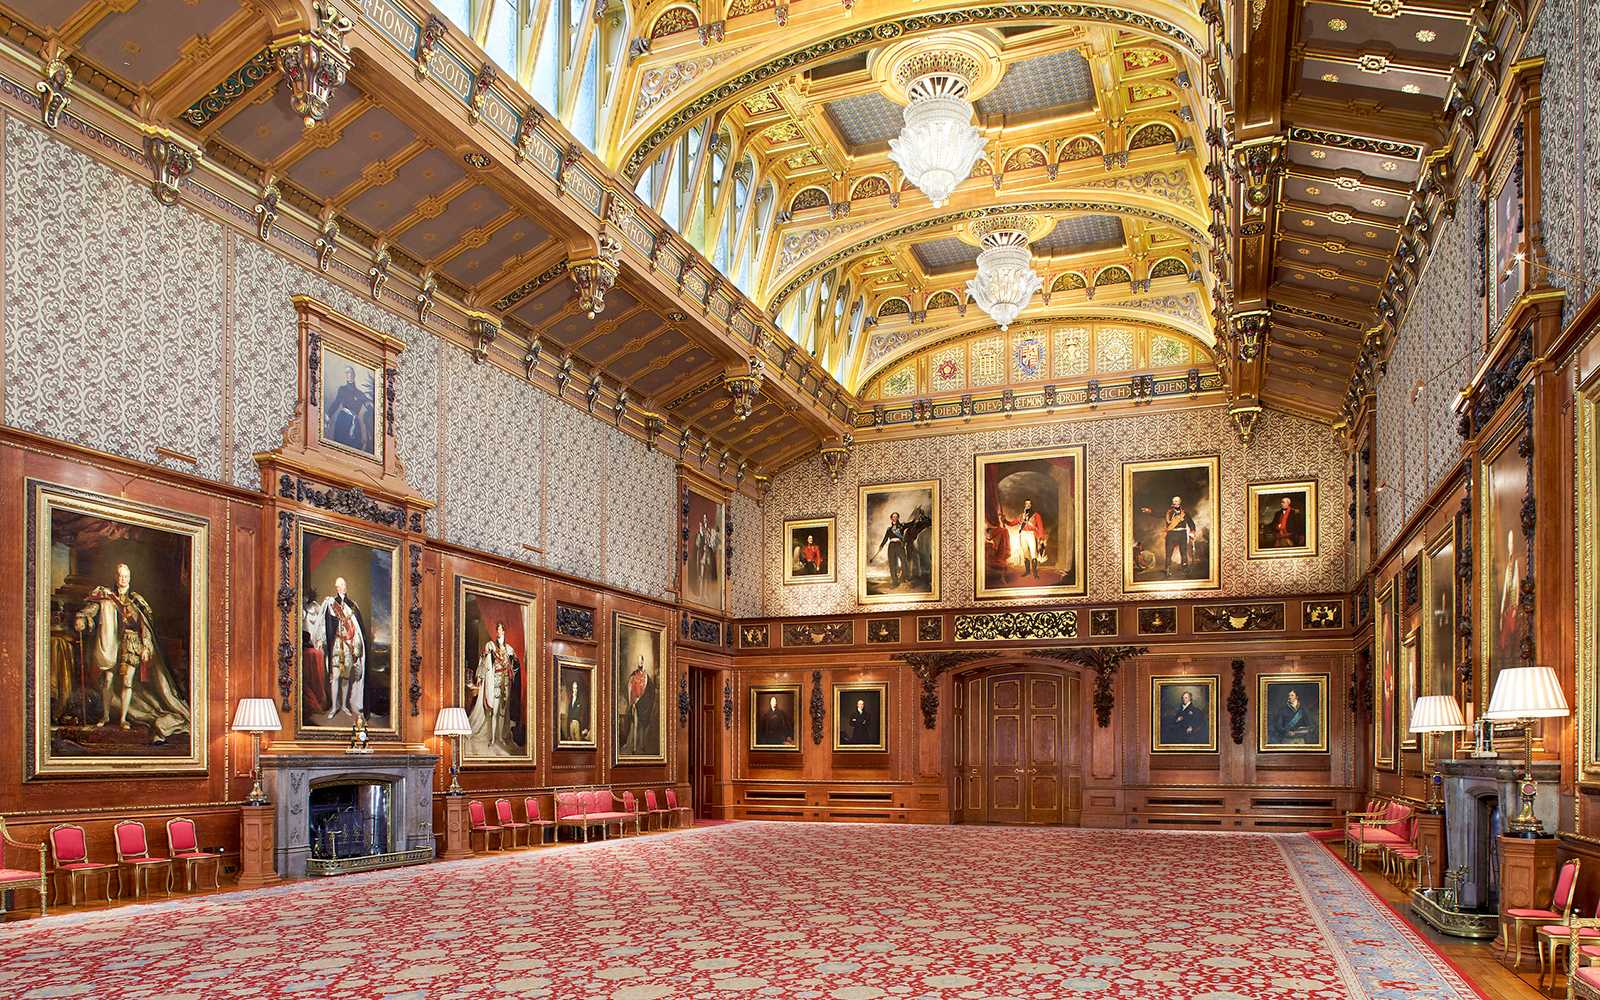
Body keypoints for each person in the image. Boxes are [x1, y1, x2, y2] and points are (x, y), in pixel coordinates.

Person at [74, 563, 191, 742]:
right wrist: (81, 618)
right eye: (120, 576)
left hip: (131, 644)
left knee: (127, 682)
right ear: (116, 577)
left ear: (130, 578)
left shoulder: (136, 601)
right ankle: (105, 717)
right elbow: (91, 609)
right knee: (108, 680)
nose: (123, 579)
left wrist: (146, 646)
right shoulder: (106, 597)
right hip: (111, 642)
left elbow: (145, 627)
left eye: (126, 576)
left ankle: (123, 719)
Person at [320, 577, 367, 719]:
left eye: (345, 584)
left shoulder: (352, 606)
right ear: (337, 587)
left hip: (348, 647)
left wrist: (356, 645)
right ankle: (334, 707)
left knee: (346, 677)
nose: (344, 587)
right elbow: (325, 625)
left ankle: (344, 706)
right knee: (335, 676)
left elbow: (356, 628)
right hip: (336, 646)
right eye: (341, 585)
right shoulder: (331, 604)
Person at [468, 621, 518, 754]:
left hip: (505, 683)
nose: (499, 632)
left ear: (504, 632)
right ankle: (493, 739)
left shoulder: (509, 649)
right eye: (498, 630)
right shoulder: (491, 646)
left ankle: (500, 737)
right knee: (495, 712)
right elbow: (483, 661)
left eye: (501, 629)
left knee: (502, 713)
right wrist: (479, 676)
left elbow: (516, 665)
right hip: (495, 681)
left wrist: (511, 669)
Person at [1141, 495, 1196, 579]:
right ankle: (1168, 572)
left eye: (1176, 501)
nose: (1174, 503)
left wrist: (1192, 532)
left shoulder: (1185, 514)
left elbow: (1192, 524)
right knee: (1168, 554)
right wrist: (1149, 511)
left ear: (1179, 502)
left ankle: (1185, 571)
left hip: (1182, 534)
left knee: (1184, 553)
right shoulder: (1168, 513)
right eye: (1173, 501)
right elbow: (1157, 514)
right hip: (1172, 534)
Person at [324, 364, 375, 453]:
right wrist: (328, 414)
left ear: (353, 375)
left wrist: (371, 401)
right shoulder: (342, 389)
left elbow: (370, 408)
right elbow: (336, 403)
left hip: (354, 422)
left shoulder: (359, 393)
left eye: (349, 372)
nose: (347, 374)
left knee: (356, 447)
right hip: (343, 420)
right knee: (340, 445)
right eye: (346, 372)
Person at [1005, 499, 1048, 580]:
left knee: (1033, 553)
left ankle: (1034, 572)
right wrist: (1005, 521)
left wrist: (1041, 538)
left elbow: (1040, 526)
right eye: (1026, 504)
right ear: (1024, 505)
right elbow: (1012, 523)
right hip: (1023, 534)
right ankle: (1027, 570)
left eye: (1029, 504)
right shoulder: (1021, 516)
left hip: (1031, 534)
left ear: (1031, 505)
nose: (1028, 505)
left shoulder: (1036, 515)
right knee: (1025, 553)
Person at [873, 511, 910, 588]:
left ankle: (904, 577)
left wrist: (915, 521)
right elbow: (885, 538)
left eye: (896, 516)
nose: (895, 518)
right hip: (892, 546)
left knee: (904, 561)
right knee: (893, 564)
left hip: (899, 545)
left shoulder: (902, 526)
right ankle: (895, 583)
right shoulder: (889, 529)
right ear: (891, 518)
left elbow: (909, 524)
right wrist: (881, 546)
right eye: (894, 517)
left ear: (898, 518)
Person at [626, 655, 652, 754]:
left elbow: (648, 690)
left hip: (644, 703)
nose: (639, 662)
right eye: (638, 661)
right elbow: (632, 690)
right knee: (636, 724)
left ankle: (641, 745)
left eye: (641, 661)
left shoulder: (645, 676)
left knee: (642, 724)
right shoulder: (634, 676)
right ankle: (634, 748)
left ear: (643, 662)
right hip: (636, 702)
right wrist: (632, 702)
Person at [563, 678, 589, 742]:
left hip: (577, 724)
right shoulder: (570, 701)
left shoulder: (580, 701)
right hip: (571, 724)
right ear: (572, 689)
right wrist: (568, 733)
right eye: (574, 688)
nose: (575, 690)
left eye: (576, 688)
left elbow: (586, 713)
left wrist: (585, 728)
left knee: (578, 741)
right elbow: (569, 716)